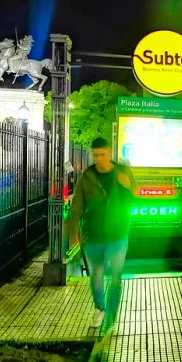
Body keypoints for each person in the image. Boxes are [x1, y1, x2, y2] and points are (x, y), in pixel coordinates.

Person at [70, 137, 136, 329]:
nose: (99, 159)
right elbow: (77, 206)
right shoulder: (86, 177)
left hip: (117, 233)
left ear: (109, 153)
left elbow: (134, 198)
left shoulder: (122, 173)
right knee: (97, 275)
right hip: (93, 234)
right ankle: (100, 308)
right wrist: (74, 231)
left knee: (116, 275)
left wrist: (128, 187)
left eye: (102, 154)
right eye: (95, 155)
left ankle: (112, 314)